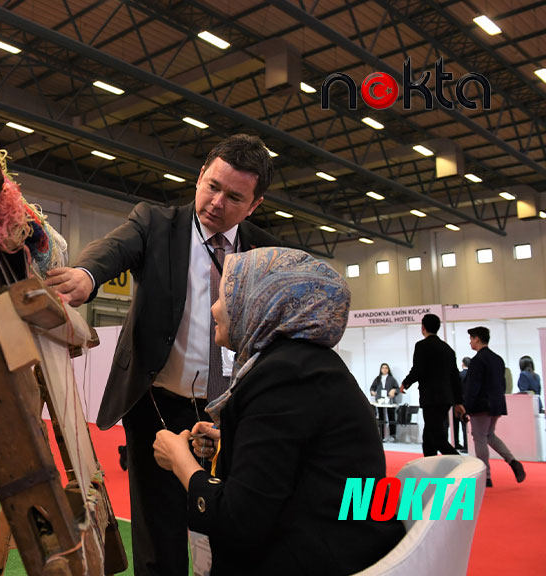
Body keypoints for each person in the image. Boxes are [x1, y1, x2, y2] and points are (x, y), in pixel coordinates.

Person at [47, 134, 279, 575]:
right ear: (199, 177)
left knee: (235, 524)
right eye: (212, 186)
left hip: (232, 413)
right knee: (159, 531)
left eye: (234, 197)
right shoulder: (155, 223)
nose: (216, 202)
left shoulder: (266, 250)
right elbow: (113, 249)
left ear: (254, 205)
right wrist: (85, 273)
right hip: (156, 404)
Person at [152, 248, 404, 575]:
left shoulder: (282, 374)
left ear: (261, 301)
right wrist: (235, 442)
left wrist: (180, 461)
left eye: (226, 296)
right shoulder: (305, 364)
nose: (214, 308)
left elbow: (238, 522)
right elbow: (302, 464)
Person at [464, 327, 525, 487]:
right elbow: (502, 384)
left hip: (481, 405)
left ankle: (486, 476)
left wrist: (466, 406)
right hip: (496, 404)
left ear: (477, 339)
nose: (470, 341)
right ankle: (512, 461)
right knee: (489, 435)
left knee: (480, 438)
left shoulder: (477, 361)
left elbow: (473, 387)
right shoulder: (497, 359)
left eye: (471, 338)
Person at [400, 314, 466, 456]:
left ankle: (460, 463)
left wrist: (406, 383)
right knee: (429, 437)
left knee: (436, 437)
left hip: (430, 398)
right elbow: (455, 377)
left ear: (423, 327)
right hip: (446, 399)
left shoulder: (422, 346)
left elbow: (418, 369)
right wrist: (458, 401)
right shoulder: (447, 349)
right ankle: (430, 468)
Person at [369, 363, 400, 441]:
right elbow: (372, 387)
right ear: (381, 369)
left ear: (388, 369)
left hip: (390, 401)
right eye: (383, 368)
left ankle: (393, 435)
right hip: (380, 401)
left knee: (391, 417)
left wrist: (394, 390)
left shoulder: (391, 379)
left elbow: (397, 389)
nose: (384, 369)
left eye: (386, 368)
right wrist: (372, 392)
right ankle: (381, 436)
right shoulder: (378, 379)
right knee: (381, 418)